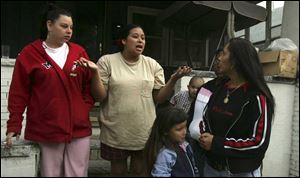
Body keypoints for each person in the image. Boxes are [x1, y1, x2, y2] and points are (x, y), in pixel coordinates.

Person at [75, 24, 191, 176]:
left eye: (143, 38)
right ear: (123, 40)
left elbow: (159, 98)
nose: (140, 41)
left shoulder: (152, 64)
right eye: (135, 36)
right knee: (118, 172)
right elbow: (100, 96)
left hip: (143, 131)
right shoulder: (107, 61)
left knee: (140, 172)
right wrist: (95, 73)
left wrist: (173, 80)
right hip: (115, 130)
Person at [4, 5, 94, 177]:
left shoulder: (78, 52)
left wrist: (83, 107)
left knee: (77, 173)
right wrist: (14, 125)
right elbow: (19, 93)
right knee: (50, 173)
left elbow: (89, 85)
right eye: (64, 26)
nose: (69, 31)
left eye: (71, 27)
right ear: (49, 25)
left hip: (79, 127)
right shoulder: (30, 54)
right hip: (48, 127)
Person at [199, 38, 275, 177]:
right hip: (211, 167)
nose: (219, 58)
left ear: (235, 61)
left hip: (239, 172)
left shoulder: (256, 96)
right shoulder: (219, 88)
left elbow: (258, 143)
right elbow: (205, 117)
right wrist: (204, 135)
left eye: (224, 54)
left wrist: (216, 143)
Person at [144, 106, 199, 177]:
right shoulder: (165, 154)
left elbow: (193, 167)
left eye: (185, 126)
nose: (184, 132)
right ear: (165, 131)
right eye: (179, 129)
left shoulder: (186, 144)